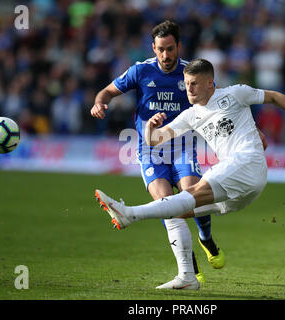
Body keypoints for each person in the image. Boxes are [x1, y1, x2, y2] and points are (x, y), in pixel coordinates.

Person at [95, 58, 285, 290]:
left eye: (194, 83)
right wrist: (149, 127)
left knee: (191, 192)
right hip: (239, 194)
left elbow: (273, 96)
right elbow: (155, 140)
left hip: (247, 163)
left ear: (210, 83)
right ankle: (187, 276)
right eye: (186, 83)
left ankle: (129, 214)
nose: (188, 88)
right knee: (177, 211)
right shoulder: (191, 115)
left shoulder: (235, 93)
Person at [91, 21, 235, 284]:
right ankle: (188, 265)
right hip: (150, 150)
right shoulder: (140, 71)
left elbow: (217, 103)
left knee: (195, 197)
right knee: (167, 207)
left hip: (182, 147)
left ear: (179, 46)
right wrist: (100, 102)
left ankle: (206, 238)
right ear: (153, 48)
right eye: (161, 50)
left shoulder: (189, 73)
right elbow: (108, 91)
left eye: (170, 49)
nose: (166, 56)